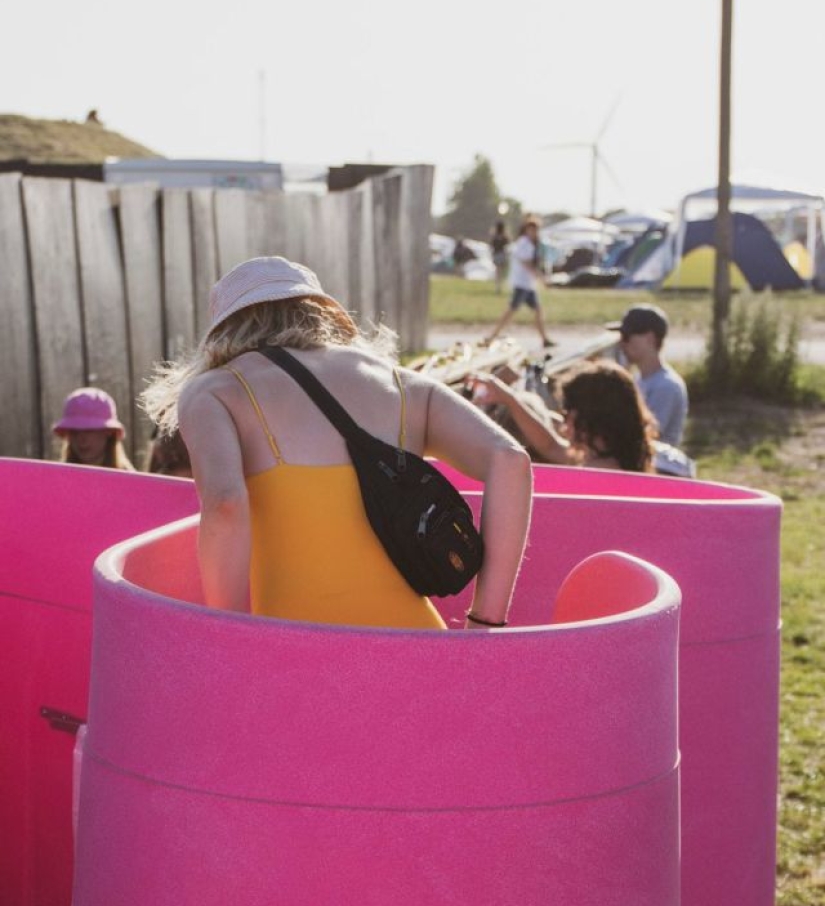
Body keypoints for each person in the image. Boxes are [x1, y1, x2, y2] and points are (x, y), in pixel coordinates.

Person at [142, 256, 532, 631]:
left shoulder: (215, 391)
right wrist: (485, 622)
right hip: (417, 644)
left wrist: (231, 637)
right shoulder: (402, 384)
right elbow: (511, 461)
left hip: (295, 650)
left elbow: (225, 505)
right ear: (324, 314)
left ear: (223, 330)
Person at [472, 360, 656, 472]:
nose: (563, 424)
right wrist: (509, 399)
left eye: (567, 413)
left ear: (591, 420)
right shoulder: (616, 459)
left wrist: (508, 399)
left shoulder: (594, 476)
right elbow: (549, 446)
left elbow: (551, 447)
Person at [605, 304, 689, 446]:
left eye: (626, 337)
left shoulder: (666, 385)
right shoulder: (638, 379)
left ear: (649, 339)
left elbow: (646, 436)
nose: (622, 343)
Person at [484, 216, 551, 349]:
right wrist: (540, 277)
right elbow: (526, 263)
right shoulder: (524, 244)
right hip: (522, 283)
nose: (534, 233)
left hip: (528, 284)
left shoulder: (532, 244)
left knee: (538, 310)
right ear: (526, 230)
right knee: (511, 311)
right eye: (532, 230)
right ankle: (492, 336)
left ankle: (545, 339)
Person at [52, 387, 135, 470]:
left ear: (109, 431)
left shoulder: (129, 480)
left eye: (89, 431)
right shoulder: (57, 478)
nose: (81, 439)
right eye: (74, 432)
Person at [489, 220, 510, 293]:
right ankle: (499, 286)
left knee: (498, 271)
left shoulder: (494, 236)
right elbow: (507, 244)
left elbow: (491, 245)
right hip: (502, 254)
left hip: (497, 254)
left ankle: (498, 286)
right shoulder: (504, 236)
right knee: (501, 271)